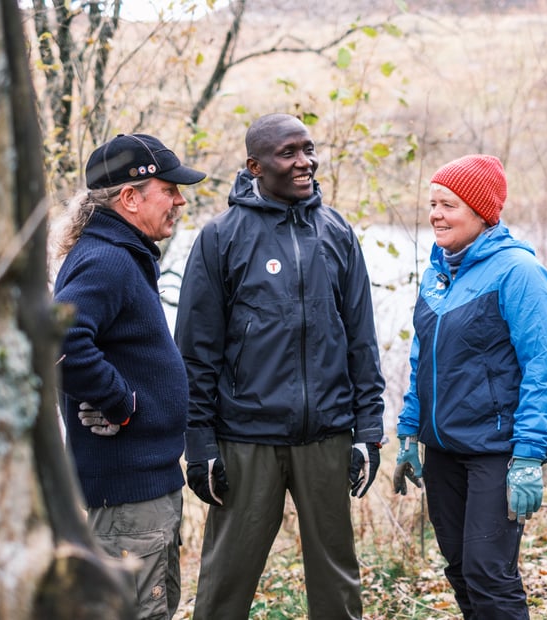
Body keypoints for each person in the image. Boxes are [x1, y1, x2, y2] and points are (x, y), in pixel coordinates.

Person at [175, 113, 385, 619]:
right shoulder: (220, 238)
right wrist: (199, 447)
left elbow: (361, 340)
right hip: (247, 438)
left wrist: (369, 430)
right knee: (226, 582)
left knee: (338, 583)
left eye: (308, 149)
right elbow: (196, 354)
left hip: (328, 437)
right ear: (254, 166)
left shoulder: (337, 232)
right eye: (288, 153)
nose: (304, 162)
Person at [392, 154, 547, 619]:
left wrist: (530, 455)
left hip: (496, 450)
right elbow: (421, 360)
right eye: (432, 204)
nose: (435, 215)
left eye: (448, 204)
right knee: (461, 567)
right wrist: (409, 430)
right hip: (443, 450)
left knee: (490, 573)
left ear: (480, 211)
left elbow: (544, 366)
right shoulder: (437, 275)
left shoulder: (519, 273)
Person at [53, 133, 206, 619]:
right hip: (127, 493)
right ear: (130, 197)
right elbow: (59, 338)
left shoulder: (119, 252)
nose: (180, 200)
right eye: (170, 189)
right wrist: (120, 402)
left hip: (141, 485)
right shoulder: (108, 258)